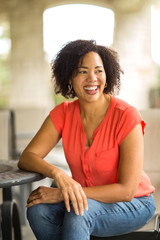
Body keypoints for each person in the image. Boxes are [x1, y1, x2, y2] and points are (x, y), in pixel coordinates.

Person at [18, 40, 155, 240]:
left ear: (107, 76)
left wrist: (59, 193)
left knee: (79, 213)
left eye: (99, 71)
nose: (92, 78)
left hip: (134, 202)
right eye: (82, 71)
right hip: (84, 200)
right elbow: (28, 157)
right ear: (69, 78)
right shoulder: (63, 114)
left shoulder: (126, 115)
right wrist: (59, 175)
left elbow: (126, 191)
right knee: (38, 210)